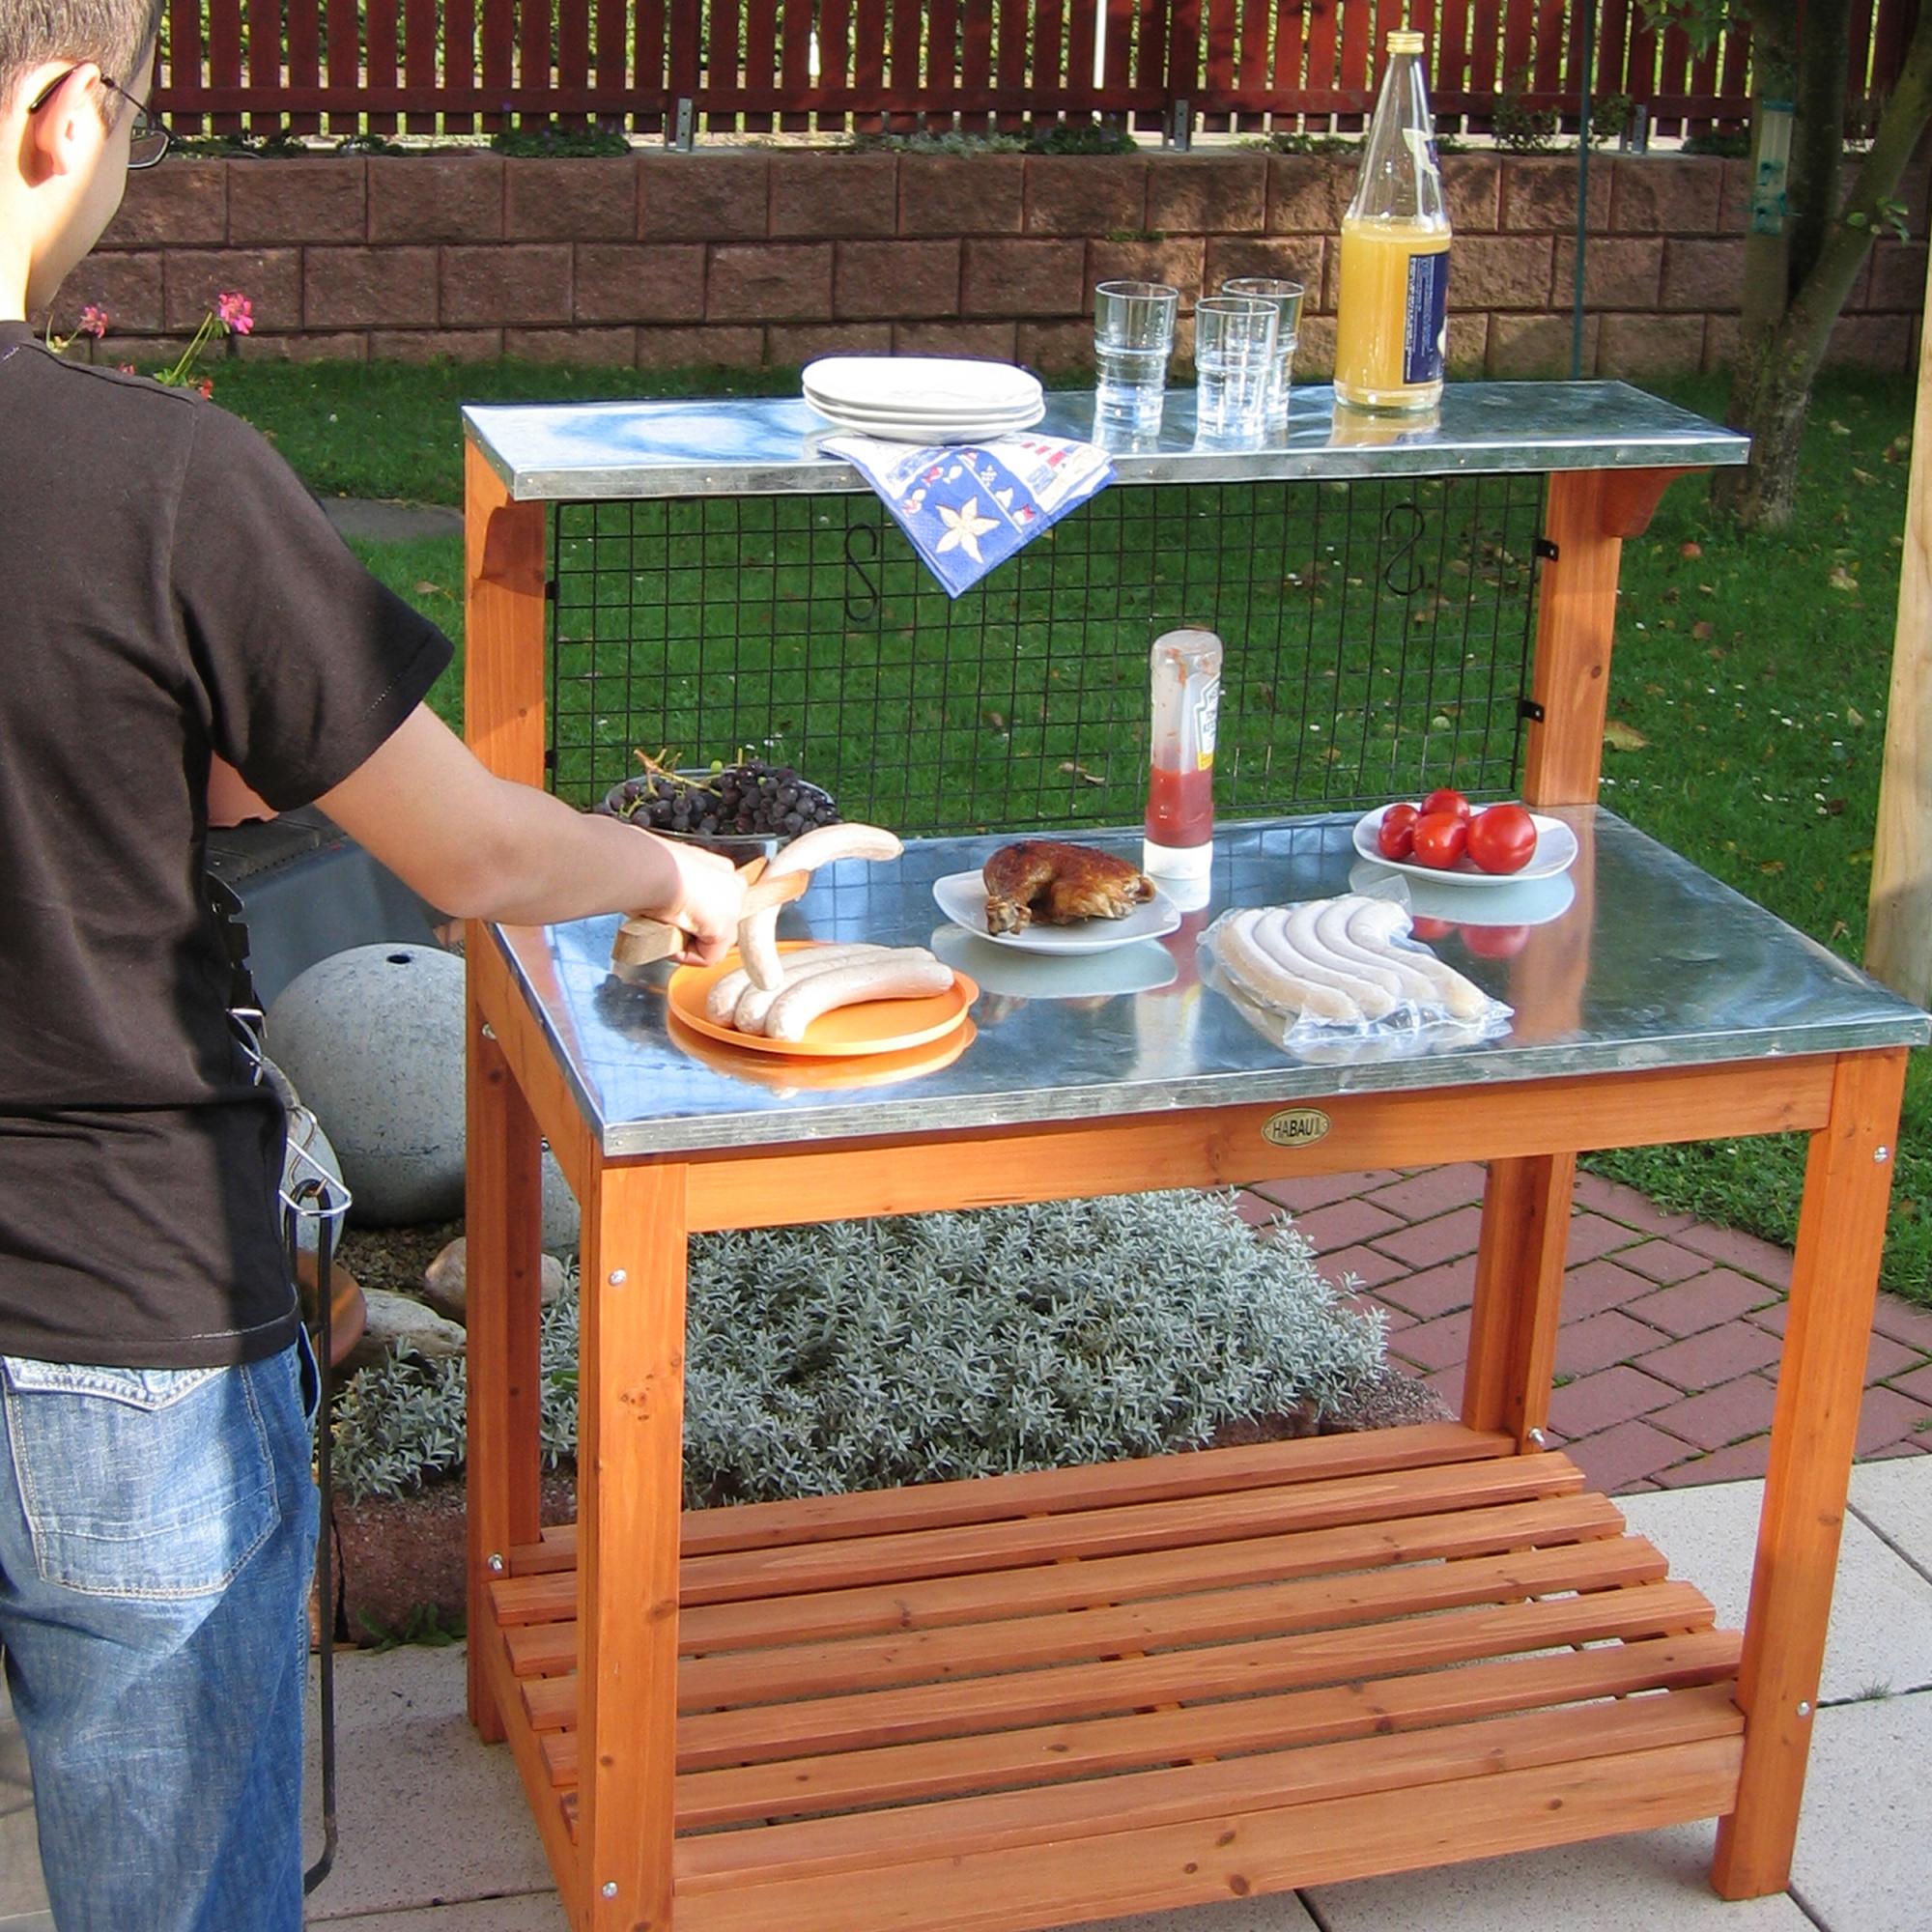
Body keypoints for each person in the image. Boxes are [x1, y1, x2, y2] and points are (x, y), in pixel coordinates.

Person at [0, 12, 745, 1927]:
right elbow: (475, 849)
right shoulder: (158, 481)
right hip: (118, 1329)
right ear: (57, 114)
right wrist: (682, 871)